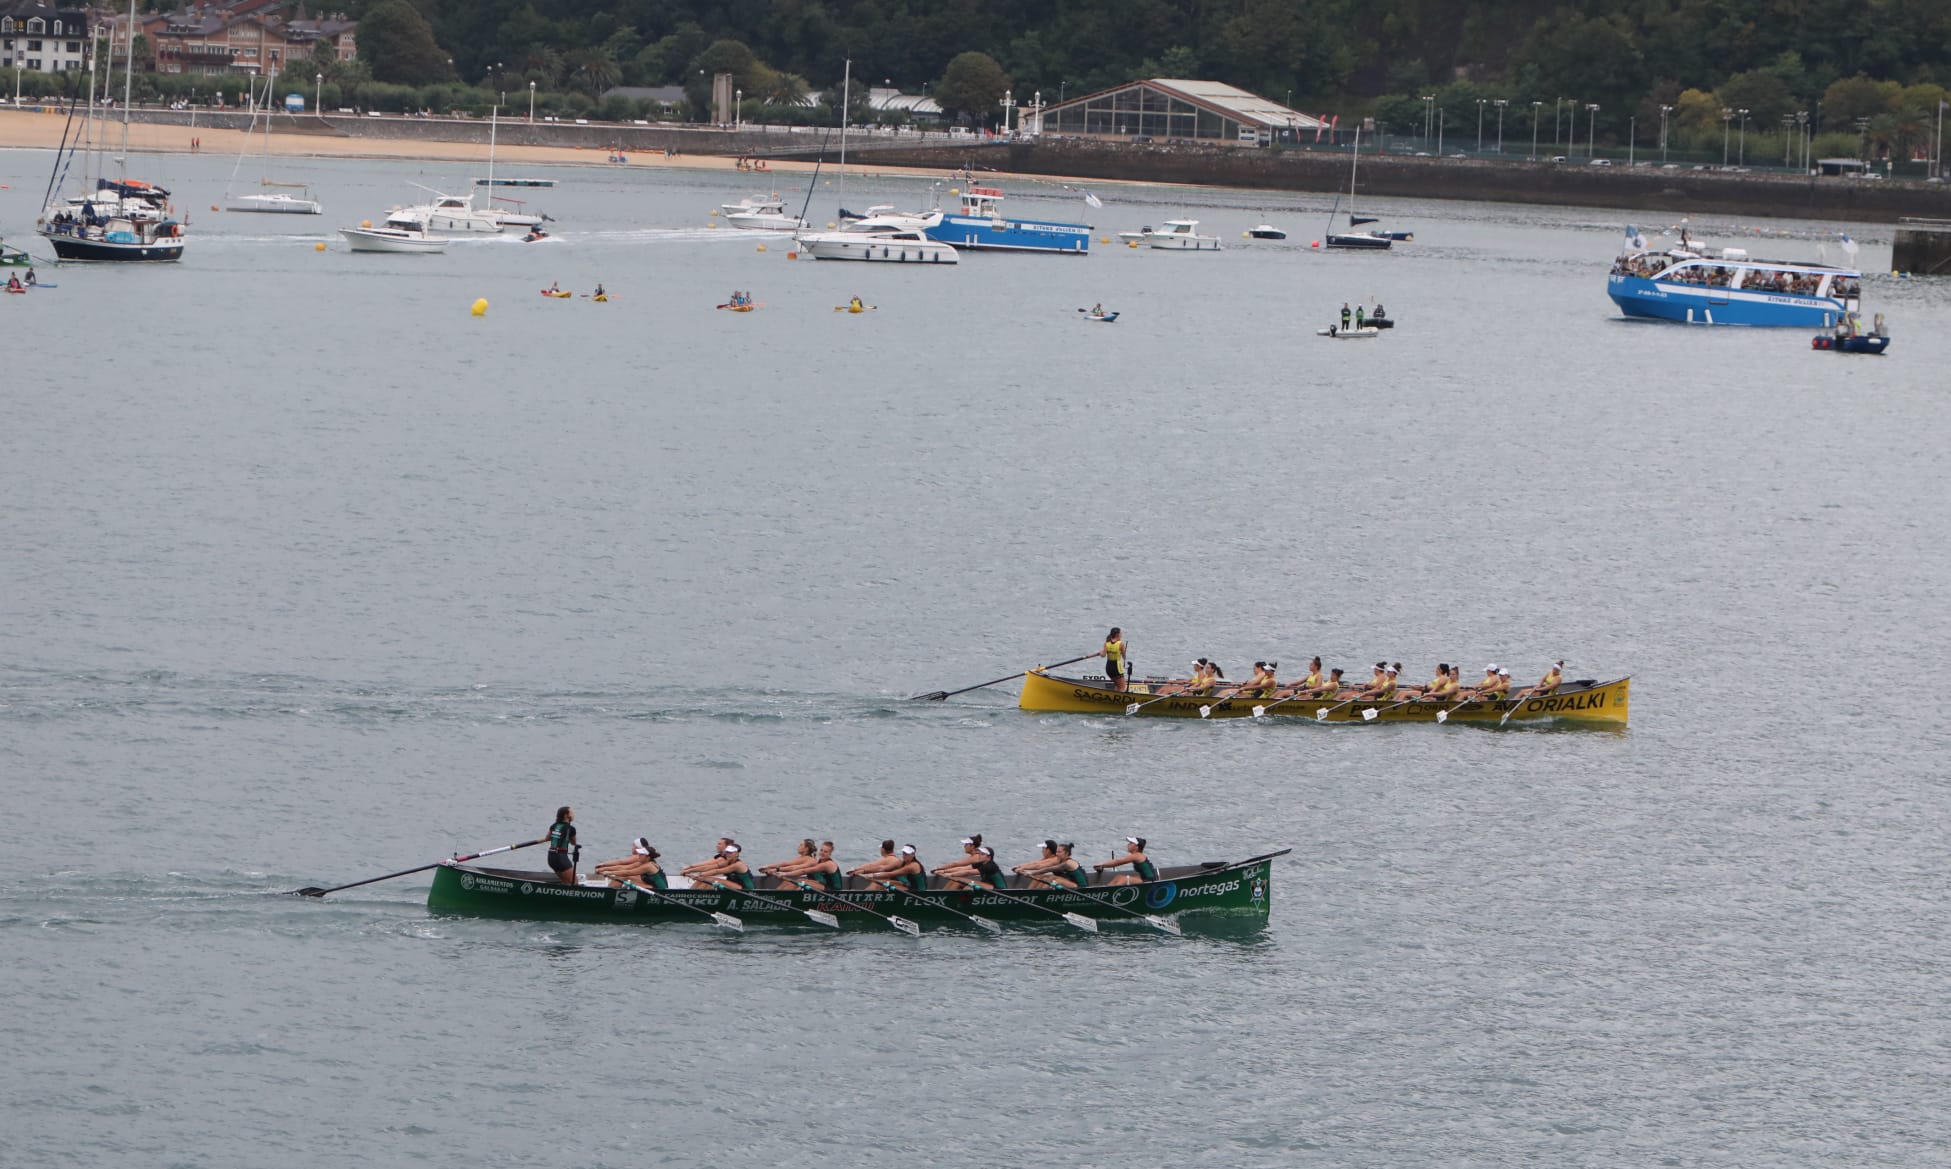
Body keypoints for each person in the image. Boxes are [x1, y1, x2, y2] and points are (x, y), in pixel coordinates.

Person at [595, 838, 665, 889]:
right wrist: (605, 870)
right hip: (650, 885)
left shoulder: (648, 866)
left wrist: (609, 873)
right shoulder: (642, 862)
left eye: (641, 854)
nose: (639, 855)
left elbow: (628, 872)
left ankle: (608, 894)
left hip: (659, 890)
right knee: (624, 878)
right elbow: (624, 868)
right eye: (639, 853)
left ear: (648, 857)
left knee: (626, 878)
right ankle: (610, 891)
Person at [546, 806, 578, 885]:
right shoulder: (571, 829)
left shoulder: (554, 826)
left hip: (551, 857)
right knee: (575, 883)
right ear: (566, 816)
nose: (573, 815)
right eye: (571, 813)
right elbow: (573, 843)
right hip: (560, 857)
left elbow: (547, 838)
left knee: (565, 882)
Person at [1099, 627, 1130, 692]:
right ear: (1117, 634)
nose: (1121, 634)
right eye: (1121, 633)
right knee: (1122, 687)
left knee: (1117, 685)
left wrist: (1101, 653)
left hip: (1109, 668)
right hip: (1116, 668)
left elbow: (1103, 655)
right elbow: (1124, 657)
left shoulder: (1107, 643)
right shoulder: (1121, 644)